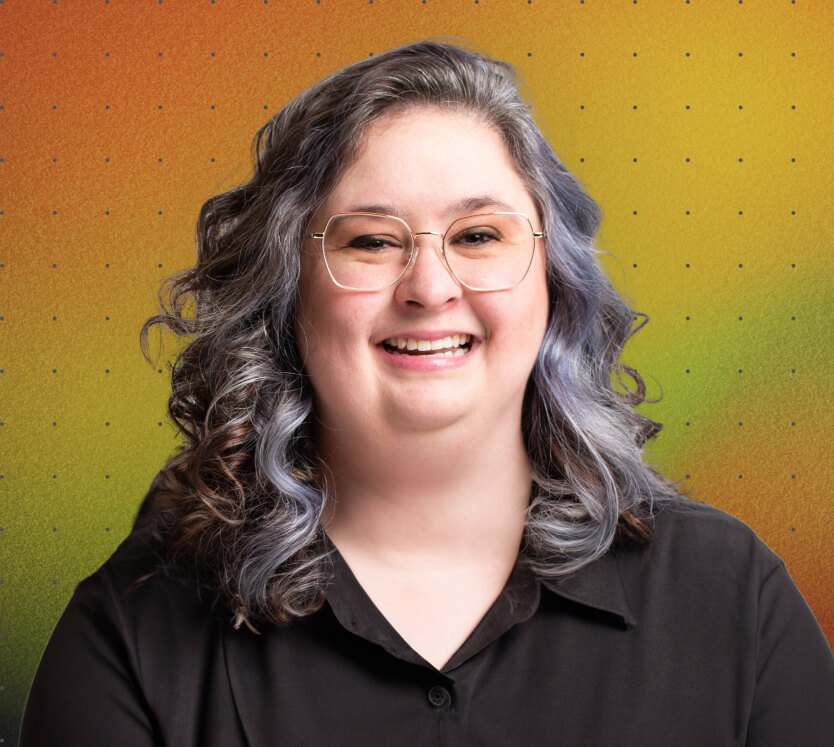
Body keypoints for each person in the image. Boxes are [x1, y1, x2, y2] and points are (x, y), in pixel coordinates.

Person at [21, 40, 834, 746]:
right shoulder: (132, 628)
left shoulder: (735, 599)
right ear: (286, 293)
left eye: (479, 235)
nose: (430, 285)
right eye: (371, 241)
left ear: (554, 281)